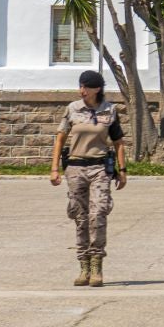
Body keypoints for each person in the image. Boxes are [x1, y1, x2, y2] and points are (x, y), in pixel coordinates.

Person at [48, 69, 127, 286]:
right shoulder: (72, 109)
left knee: (99, 212)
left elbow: (118, 142)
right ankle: (83, 266)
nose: (82, 90)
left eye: (86, 86)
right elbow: (60, 139)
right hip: (75, 168)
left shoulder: (109, 110)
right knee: (80, 216)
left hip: (99, 167)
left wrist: (122, 170)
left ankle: (96, 264)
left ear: (97, 89)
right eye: (80, 86)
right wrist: (54, 168)